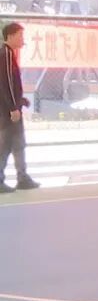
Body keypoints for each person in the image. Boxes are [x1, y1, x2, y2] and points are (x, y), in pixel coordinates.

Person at [0, 23, 39, 193]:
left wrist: (20, 100)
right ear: (10, 36)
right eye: (20, 35)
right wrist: (13, 108)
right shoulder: (6, 54)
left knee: (18, 143)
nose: (23, 39)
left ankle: (22, 177)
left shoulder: (8, 54)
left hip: (11, 109)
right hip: (8, 112)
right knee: (6, 145)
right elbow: (6, 83)